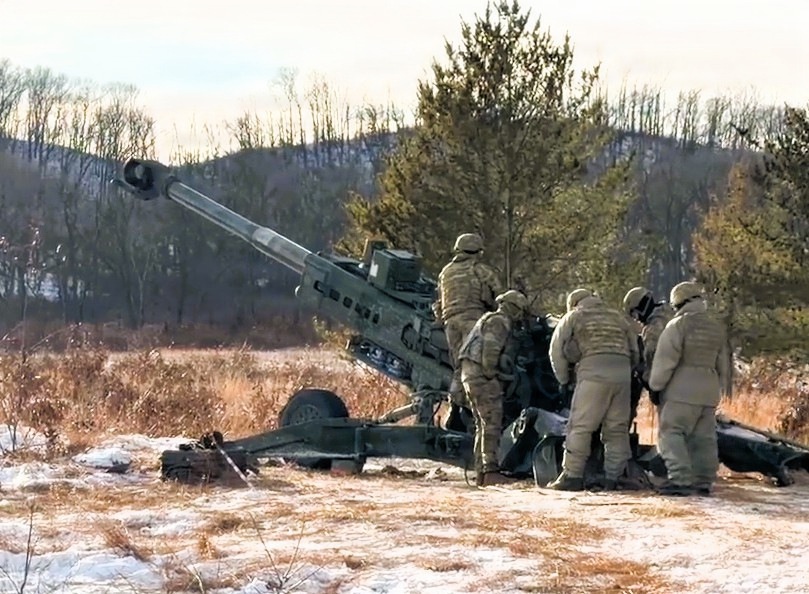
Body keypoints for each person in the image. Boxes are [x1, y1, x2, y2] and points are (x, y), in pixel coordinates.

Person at [546, 289, 639, 491]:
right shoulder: (618, 317)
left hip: (593, 372)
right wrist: (627, 371)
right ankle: (613, 477)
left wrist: (563, 379)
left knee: (580, 426)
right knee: (616, 429)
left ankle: (572, 475)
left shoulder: (575, 315)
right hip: (622, 373)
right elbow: (634, 349)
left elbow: (555, 349)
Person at [648, 281, 729, 496]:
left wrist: (655, 386)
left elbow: (666, 361)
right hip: (709, 391)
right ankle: (703, 480)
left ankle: (680, 479)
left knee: (672, 433)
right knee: (704, 438)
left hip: (681, 391)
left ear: (679, 302)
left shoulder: (678, 326)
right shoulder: (715, 328)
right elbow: (723, 365)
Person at [458, 289, 528, 487]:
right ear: (513, 308)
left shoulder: (488, 318)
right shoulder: (500, 321)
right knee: (492, 423)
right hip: (481, 375)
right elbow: (491, 349)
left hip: (469, 374)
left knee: (482, 424)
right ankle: (490, 472)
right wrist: (493, 374)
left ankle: (481, 472)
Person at [432, 233, 503, 414]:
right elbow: (500, 295)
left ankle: (456, 402)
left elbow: (439, 302)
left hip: (450, 323)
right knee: (476, 366)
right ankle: (478, 408)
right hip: (473, 319)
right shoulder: (479, 269)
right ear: (477, 251)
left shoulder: (445, 272)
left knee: (459, 367)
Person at [622, 287, 674, 424]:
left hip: (671, 390)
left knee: (671, 433)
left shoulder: (653, 328)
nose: (637, 319)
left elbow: (654, 360)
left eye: (634, 314)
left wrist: (645, 378)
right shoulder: (674, 314)